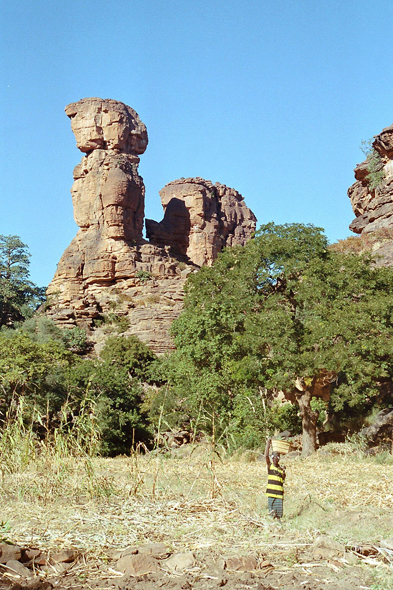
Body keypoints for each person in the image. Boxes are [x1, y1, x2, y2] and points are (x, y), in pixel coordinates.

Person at [265, 437, 286, 518]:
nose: (275, 460)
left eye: (277, 458)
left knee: (279, 514)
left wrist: (284, 472)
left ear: (278, 460)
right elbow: (266, 455)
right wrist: (268, 444)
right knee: (271, 513)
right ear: (272, 458)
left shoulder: (281, 469)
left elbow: (283, 479)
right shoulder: (270, 466)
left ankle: (278, 523)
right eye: (273, 458)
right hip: (271, 493)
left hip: (279, 494)